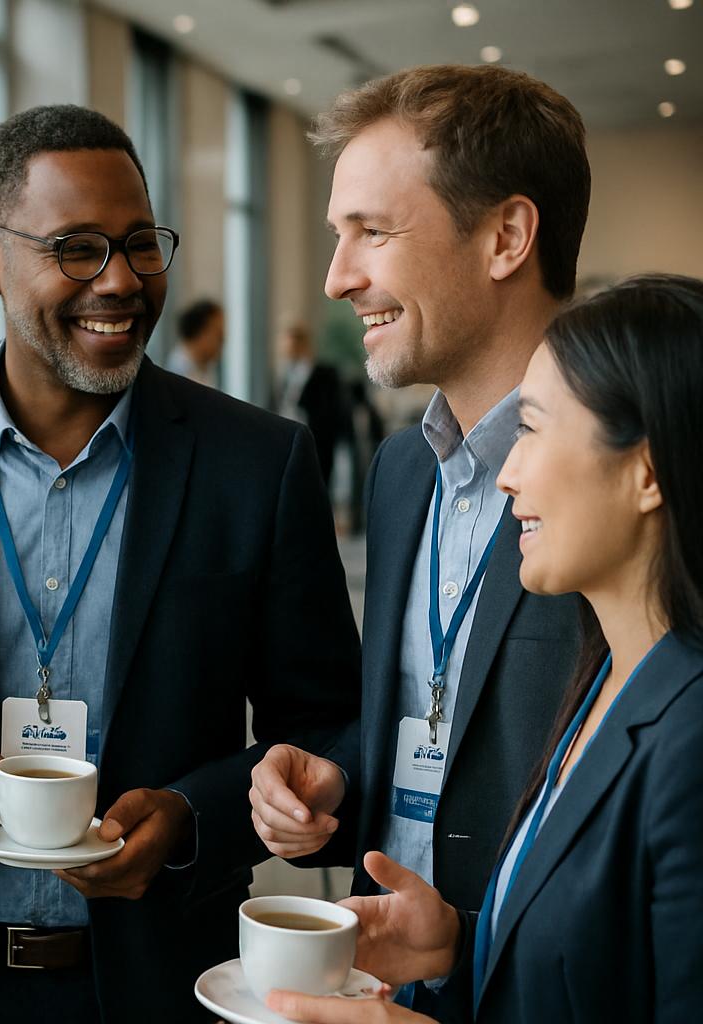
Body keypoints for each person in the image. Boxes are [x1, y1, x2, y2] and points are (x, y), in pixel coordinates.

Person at [0, 104, 360, 1023]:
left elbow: (325, 726)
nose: (119, 280)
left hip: (161, 984)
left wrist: (193, 817)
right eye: (76, 249)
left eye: (139, 245)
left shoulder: (257, 465)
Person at [265, 274, 703, 1024]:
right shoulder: (606, 679)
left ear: (646, 471)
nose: (507, 474)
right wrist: (456, 946)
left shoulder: (688, 737)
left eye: (532, 429)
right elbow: (594, 969)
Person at [247, 65, 591, 1017]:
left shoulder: (628, 478)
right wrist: (337, 783)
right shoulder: (405, 471)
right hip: (389, 978)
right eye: (338, 235)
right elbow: (436, 718)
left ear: (506, 237)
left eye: (374, 232)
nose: (337, 277)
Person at [276, 323, 344, 486]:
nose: (285, 351)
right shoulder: (285, 375)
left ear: (302, 345)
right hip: (288, 443)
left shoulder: (326, 374)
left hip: (317, 444)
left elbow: (332, 412)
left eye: (290, 346)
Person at [169, 297, 224, 387]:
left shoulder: (202, 368)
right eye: (219, 336)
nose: (222, 343)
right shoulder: (181, 372)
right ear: (202, 332)